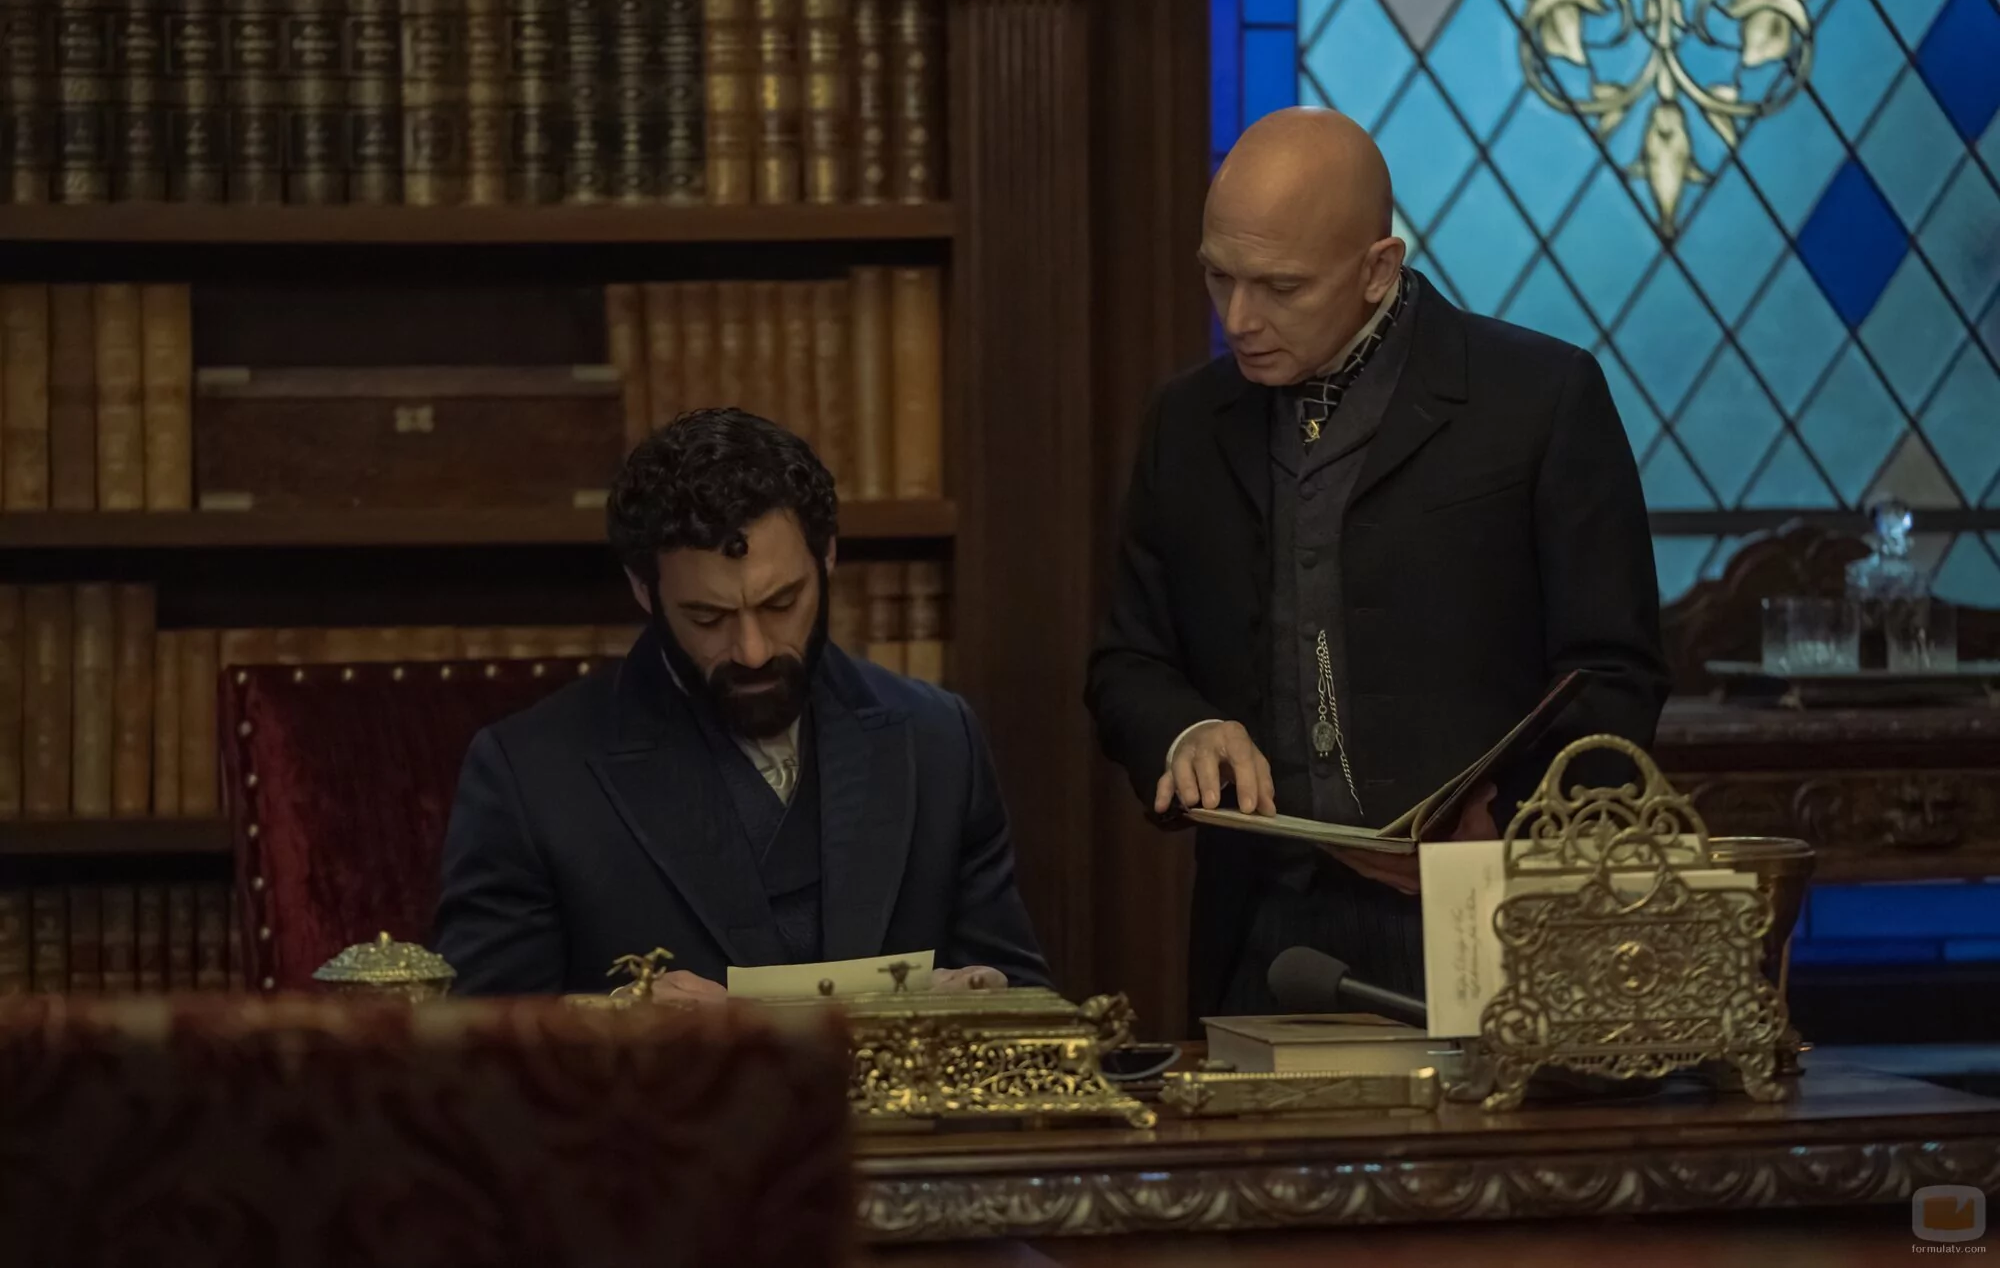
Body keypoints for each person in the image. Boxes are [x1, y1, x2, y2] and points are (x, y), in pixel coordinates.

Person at [1085, 107, 1669, 1020]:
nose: (1239, 320)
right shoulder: (1186, 424)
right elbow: (1129, 661)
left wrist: (1507, 822)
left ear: (1377, 270)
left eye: (1280, 287)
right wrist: (1184, 730)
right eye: (1219, 276)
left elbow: (1615, 673)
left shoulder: (1539, 401)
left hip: (1493, 914)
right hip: (1261, 930)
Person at [435, 407, 1049, 998]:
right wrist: (622, 1023)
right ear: (644, 590)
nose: (753, 652)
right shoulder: (531, 776)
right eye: (708, 617)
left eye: (781, 604)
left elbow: (1023, 1007)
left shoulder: (939, 741)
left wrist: (981, 1004)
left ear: (828, 556)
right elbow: (481, 1047)